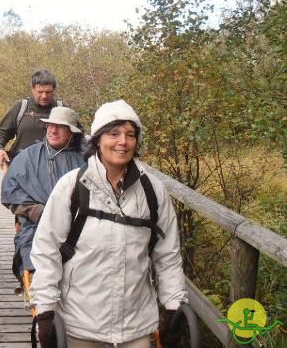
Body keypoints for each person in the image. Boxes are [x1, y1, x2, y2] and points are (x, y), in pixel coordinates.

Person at [30, 100, 188, 348]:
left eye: (130, 135)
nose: (122, 142)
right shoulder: (72, 187)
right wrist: (45, 312)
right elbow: (47, 250)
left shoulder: (153, 191)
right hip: (79, 325)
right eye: (114, 134)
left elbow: (167, 255)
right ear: (98, 140)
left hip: (136, 327)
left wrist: (173, 307)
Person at [1, 107, 86, 283]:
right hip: (37, 224)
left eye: (60, 127)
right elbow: (11, 192)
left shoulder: (84, 160)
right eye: (50, 126)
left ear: (71, 132)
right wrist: (36, 211)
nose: (53, 131)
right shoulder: (28, 157)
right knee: (33, 252)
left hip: (79, 226)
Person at [0, 69, 73, 166]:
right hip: (21, 166)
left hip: (56, 168)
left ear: (54, 90)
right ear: (32, 89)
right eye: (40, 92)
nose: (44, 96)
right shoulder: (21, 107)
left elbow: (79, 138)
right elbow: (1, 133)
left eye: (48, 92)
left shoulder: (62, 109)